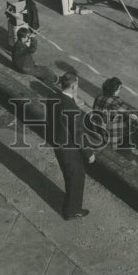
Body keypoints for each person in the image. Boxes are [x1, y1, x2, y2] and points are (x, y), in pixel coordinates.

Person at [49, 72, 96, 220]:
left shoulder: (54, 97)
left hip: (57, 141)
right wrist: (89, 153)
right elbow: (77, 134)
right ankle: (72, 210)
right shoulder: (71, 108)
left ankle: (71, 206)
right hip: (68, 149)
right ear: (74, 86)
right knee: (76, 177)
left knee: (69, 174)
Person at [91, 77, 138, 150]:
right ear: (115, 90)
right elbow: (130, 113)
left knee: (125, 118)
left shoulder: (98, 97)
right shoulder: (115, 101)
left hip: (97, 129)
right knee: (134, 120)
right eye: (120, 88)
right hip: (109, 135)